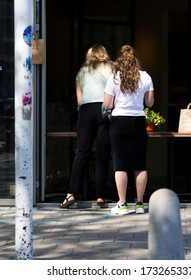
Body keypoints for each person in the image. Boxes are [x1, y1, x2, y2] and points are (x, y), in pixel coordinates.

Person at [59, 45, 113, 208]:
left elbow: (79, 99)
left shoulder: (82, 72)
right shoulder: (111, 68)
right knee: (103, 154)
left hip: (87, 110)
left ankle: (71, 194)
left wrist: (82, 111)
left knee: (81, 153)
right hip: (105, 108)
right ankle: (100, 196)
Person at [103, 45, 155, 215]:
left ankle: (123, 204)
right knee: (140, 163)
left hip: (119, 122)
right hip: (138, 121)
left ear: (120, 60)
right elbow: (150, 103)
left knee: (121, 164)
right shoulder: (146, 77)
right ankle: (140, 204)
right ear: (135, 60)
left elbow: (108, 105)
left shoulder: (113, 78)